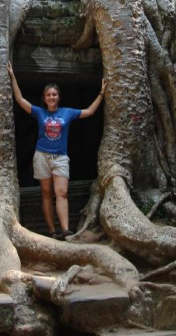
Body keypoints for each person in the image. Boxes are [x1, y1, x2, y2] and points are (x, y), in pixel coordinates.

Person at [7, 61, 107, 240]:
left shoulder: (67, 112)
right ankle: (52, 230)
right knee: (46, 193)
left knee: (61, 192)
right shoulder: (39, 112)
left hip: (60, 157)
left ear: (58, 97)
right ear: (44, 98)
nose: (51, 97)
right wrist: (13, 77)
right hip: (42, 156)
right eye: (48, 95)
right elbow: (20, 100)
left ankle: (65, 229)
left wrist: (101, 93)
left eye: (54, 94)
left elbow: (90, 112)